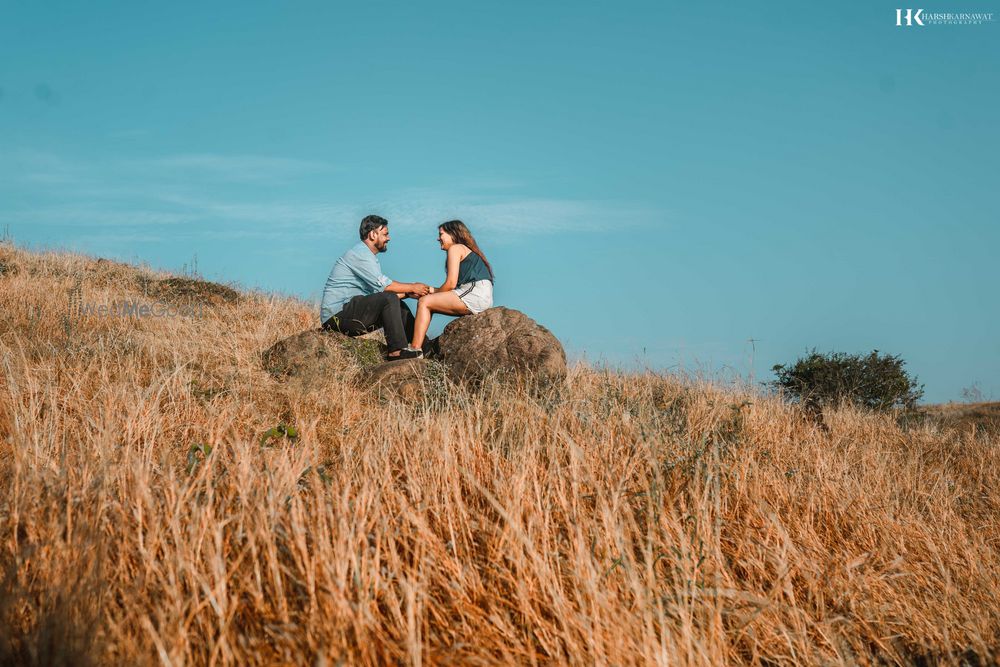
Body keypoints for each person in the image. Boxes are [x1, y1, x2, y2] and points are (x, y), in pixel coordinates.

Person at [320, 215, 430, 360]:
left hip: (352, 311)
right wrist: (413, 287)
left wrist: (409, 293)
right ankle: (396, 351)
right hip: (336, 317)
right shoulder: (359, 254)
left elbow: (382, 296)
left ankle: (426, 348)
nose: (388, 238)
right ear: (373, 234)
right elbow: (386, 287)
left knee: (398, 304)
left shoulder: (369, 258)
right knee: (389, 297)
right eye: (385, 234)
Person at [404, 220, 494, 357]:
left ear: (453, 234)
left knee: (425, 302)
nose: (438, 238)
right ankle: (416, 347)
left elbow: (450, 284)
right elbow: (449, 289)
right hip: (474, 292)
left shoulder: (456, 248)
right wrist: (426, 290)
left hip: (475, 292)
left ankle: (415, 349)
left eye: (441, 234)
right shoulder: (463, 249)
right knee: (427, 301)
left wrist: (428, 294)